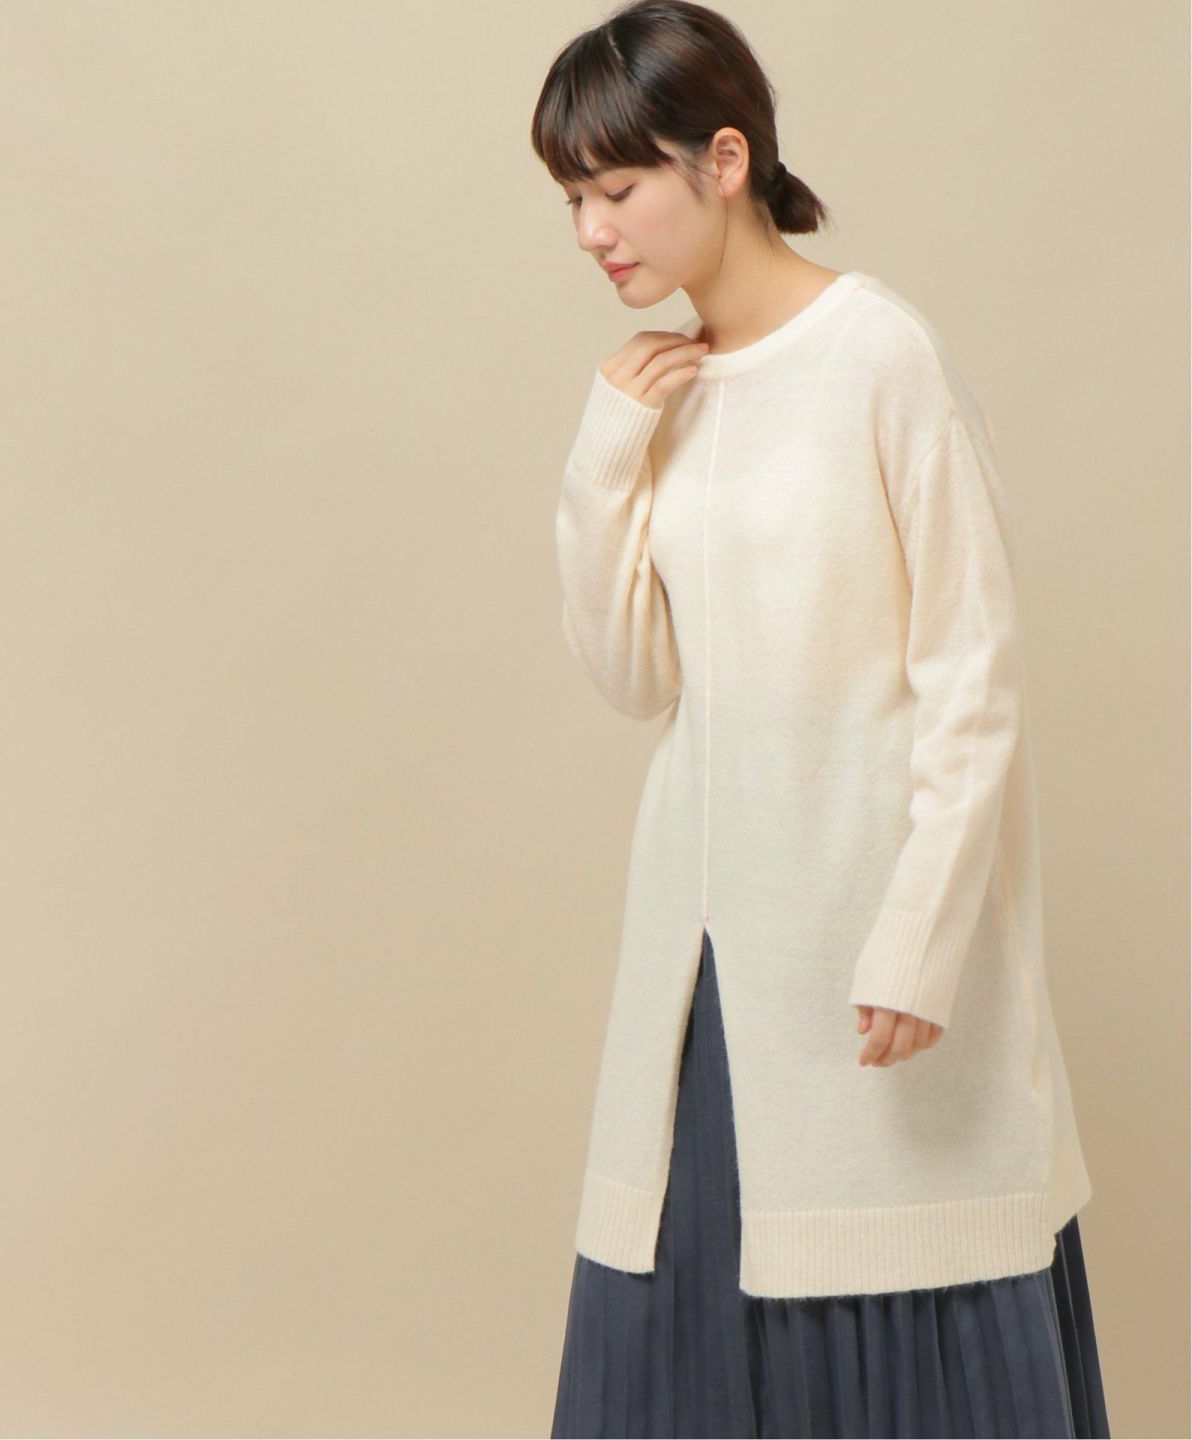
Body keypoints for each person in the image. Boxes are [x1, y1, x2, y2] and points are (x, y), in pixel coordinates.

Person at [531, 3, 1112, 1436]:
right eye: (572, 201)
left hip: (861, 945)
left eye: (618, 189)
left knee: (895, 1288)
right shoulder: (662, 394)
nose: (593, 232)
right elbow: (636, 678)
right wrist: (605, 460)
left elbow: (973, 677)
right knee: (694, 1302)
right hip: (703, 961)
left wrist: (922, 937)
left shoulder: (881, 355)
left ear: (725, 160)